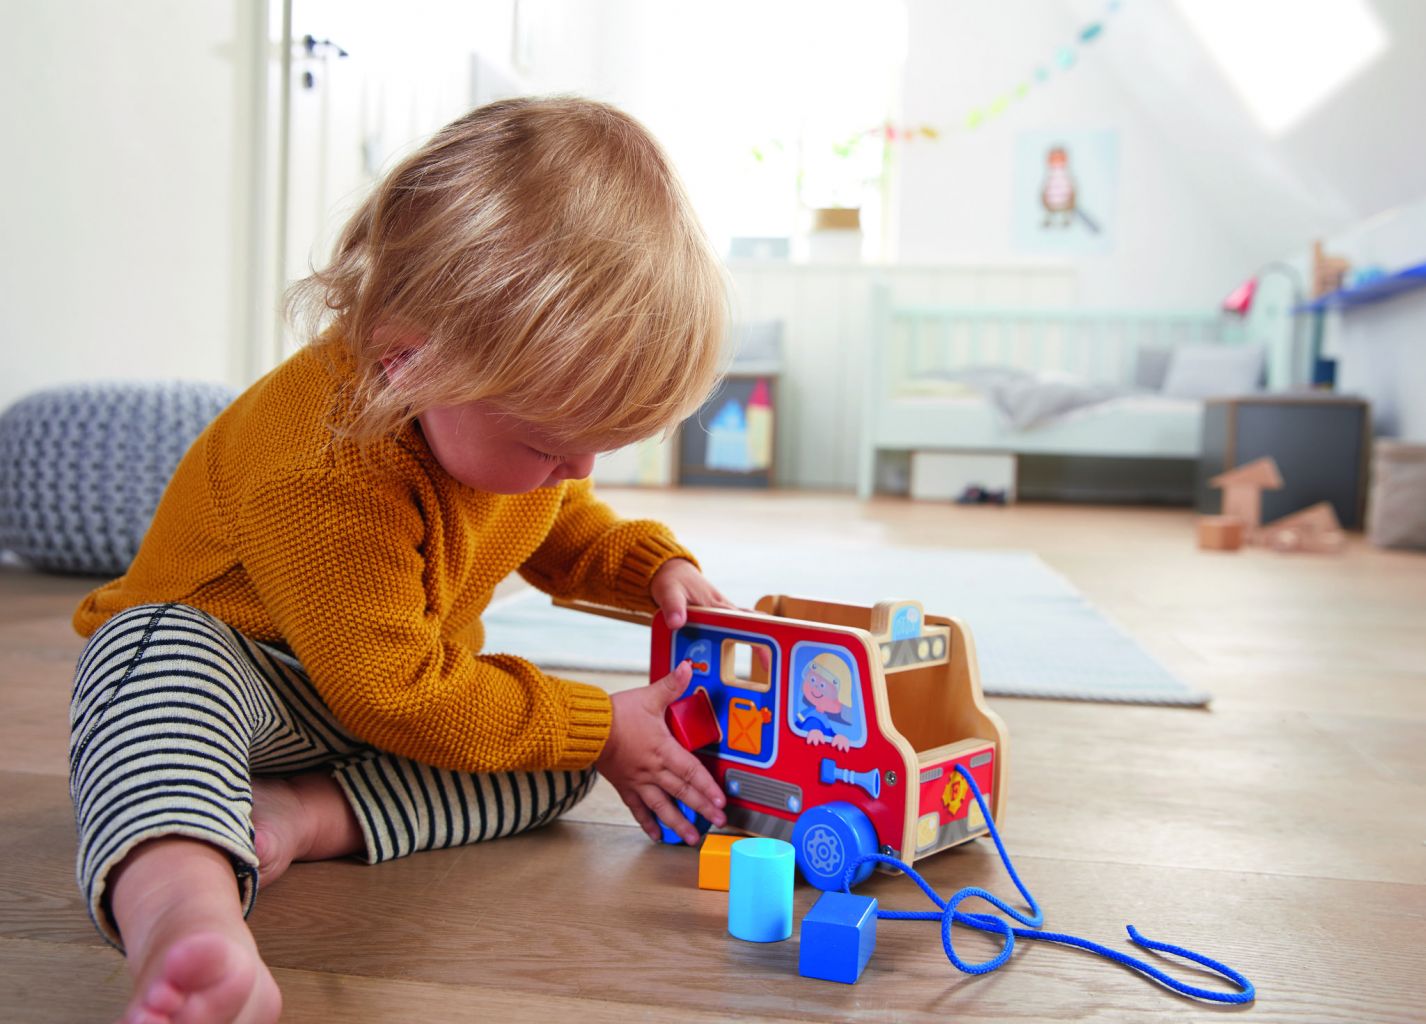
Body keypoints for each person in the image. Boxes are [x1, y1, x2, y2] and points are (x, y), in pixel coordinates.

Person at [68, 96, 732, 1024]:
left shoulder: (493, 429)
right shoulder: (321, 464)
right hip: (246, 674)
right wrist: (599, 721)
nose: (576, 469)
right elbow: (391, 690)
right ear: (407, 365)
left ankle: (309, 814)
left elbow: (555, 515)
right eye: (552, 444)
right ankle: (185, 908)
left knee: (564, 753)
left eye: (597, 446)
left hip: (384, 692)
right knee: (154, 670)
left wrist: (650, 568)